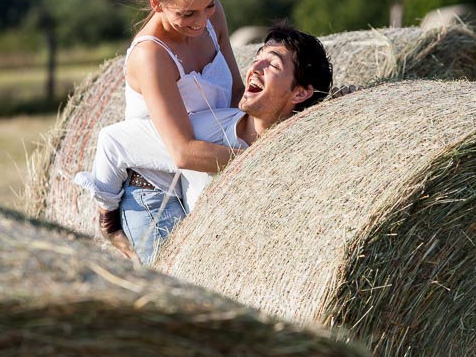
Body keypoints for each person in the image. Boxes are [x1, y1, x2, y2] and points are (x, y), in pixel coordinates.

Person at [77, 24, 333, 264]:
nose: (255, 67)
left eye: (273, 65)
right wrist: (108, 222)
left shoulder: (304, 145)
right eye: (258, 57)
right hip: (150, 199)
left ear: (300, 93)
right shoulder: (203, 131)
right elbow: (112, 140)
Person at [109, 0, 244, 263]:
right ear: (156, 4)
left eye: (208, 5)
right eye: (187, 14)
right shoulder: (151, 56)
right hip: (156, 196)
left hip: (207, 175)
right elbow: (182, 153)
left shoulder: (213, 17)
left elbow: (238, 93)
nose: (201, 21)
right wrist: (258, 158)